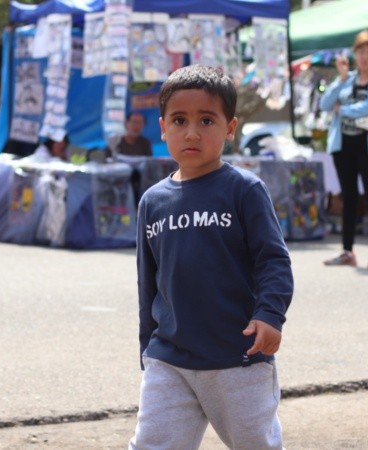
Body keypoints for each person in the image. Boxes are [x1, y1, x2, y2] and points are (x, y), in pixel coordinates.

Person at [130, 64, 294, 450]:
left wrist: (270, 314)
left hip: (238, 356)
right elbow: (147, 282)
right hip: (169, 359)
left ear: (230, 128)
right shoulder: (152, 202)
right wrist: (147, 346)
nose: (192, 132)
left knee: (254, 444)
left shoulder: (244, 190)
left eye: (206, 120)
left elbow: (273, 260)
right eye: (179, 120)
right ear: (163, 127)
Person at [319, 29, 368, 270]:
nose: (364, 57)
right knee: (348, 197)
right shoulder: (347, 79)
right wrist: (340, 79)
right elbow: (325, 104)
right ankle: (347, 250)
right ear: (354, 54)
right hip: (344, 145)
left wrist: (343, 110)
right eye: (361, 52)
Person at [105, 112, 153, 206]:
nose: (137, 126)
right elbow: (106, 162)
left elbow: (149, 165)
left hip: (138, 184)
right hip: (116, 182)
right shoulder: (115, 141)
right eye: (134, 122)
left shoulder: (145, 143)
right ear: (126, 124)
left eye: (141, 123)